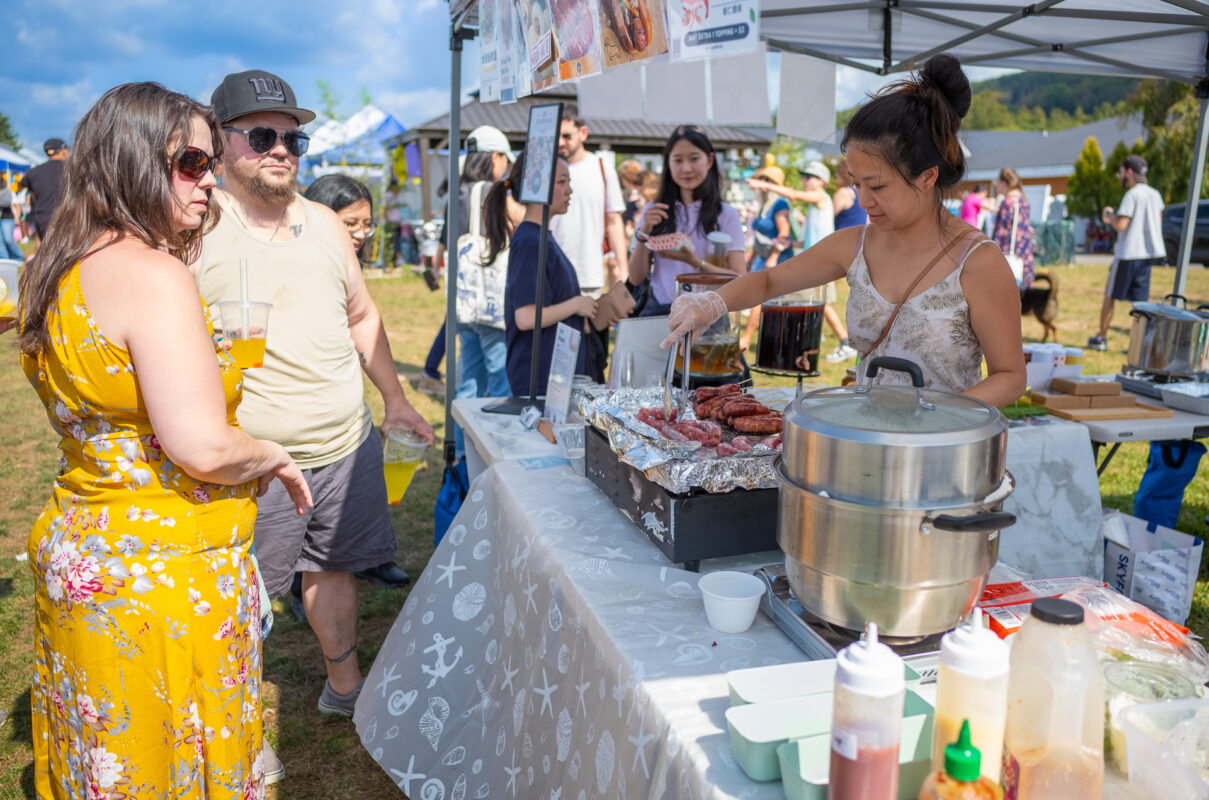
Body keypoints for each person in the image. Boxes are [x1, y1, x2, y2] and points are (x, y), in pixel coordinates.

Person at [16, 81, 312, 798]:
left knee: (106, 759)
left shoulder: (54, 265)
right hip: (160, 576)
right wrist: (271, 455)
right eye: (189, 162)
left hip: (83, 550)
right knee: (167, 763)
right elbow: (202, 445)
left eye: (209, 162)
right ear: (131, 160)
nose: (208, 178)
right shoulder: (155, 275)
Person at [193, 70, 434, 724]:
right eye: (262, 135)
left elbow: (361, 314)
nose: (281, 150)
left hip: (345, 446)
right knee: (241, 597)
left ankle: (345, 688)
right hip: (253, 461)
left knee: (334, 568)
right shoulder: (195, 225)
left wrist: (396, 398)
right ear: (218, 141)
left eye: (293, 140)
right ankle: (226, 723)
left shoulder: (327, 224)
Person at [664, 54, 1026, 408]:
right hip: (864, 445)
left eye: (877, 186)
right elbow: (770, 282)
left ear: (927, 176)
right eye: (856, 183)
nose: (863, 200)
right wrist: (712, 303)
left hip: (942, 454)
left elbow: (1010, 376)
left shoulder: (978, 261)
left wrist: (939, 421)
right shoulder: (855, 245)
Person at [302, 174, 411, 592]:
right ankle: (302, 582)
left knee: (361, 494)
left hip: (350, 406)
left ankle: (371, 557)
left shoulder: (349, 262)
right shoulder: (303, 264)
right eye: (351, 224)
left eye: (367, 224)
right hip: (308, 415)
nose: (362, 234)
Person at [482, 151, 596, 395]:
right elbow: (525, 317)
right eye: (562, 182)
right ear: (538, 187)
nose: (569, 190)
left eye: (569, 182)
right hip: (538, 380)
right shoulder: (530, 241)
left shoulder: (541, 237)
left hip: (552, 375)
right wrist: (576, 305)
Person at [421, 126, 515, 397]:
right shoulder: (491, 191)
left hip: (463, 302)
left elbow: (446, 237)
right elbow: (522, 217)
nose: (506, 168)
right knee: (499, 381)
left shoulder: (458, 192)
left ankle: (462, 440)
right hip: (489, 305)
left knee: (470, 381)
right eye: (506, 161)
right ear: (495, 157)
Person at [627, 126, 746, 318]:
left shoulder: (727, 215)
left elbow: (738, 277)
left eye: (694, 158)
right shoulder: (654, 211)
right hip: (661, 311)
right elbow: (635, 277)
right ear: (669, 163)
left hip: (708, 313)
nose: (686, 168)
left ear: (710, 160)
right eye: (678, 160)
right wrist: (643, 232)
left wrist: (695, 262)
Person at [746, 161, 857, 362]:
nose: (804, 180)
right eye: (803, 176)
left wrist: (766, 185)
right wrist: (789, 242)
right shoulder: (815, 205)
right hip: (817, 260)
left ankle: (809, 349)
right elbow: (809, 239)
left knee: (812, 302)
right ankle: (837, 344)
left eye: (809, 177)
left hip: (822, 262)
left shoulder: (820, 197)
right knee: (819, 303)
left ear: (821, 181)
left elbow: (794, 195)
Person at [549, 104, 628, 380]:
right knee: (557, 363)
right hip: (554, 280)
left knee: (592, 362)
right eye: (556, 137)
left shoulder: (602, 167)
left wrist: (624, 270)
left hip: (592, 279)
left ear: (583, 133)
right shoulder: (547, 168)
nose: (560, 143)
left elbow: (614, 221)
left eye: (567, 136)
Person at [1089, 154, 1166, 351]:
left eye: (1121, 172)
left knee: (1110, 296)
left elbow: (1121, 225)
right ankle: (1139, 345)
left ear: (1129, 172)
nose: (1120, 176)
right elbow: (1159, 221)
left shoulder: (1132, 194)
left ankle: (1102, 338)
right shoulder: (1154, 194)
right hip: (1147, 255)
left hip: (1128, 253)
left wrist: (1109, 217)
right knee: (1141, 304)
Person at [17, 137, 70, 253]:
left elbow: (26, 190)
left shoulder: (33, 172)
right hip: (67, 217)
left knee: (47, 252)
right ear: (63, 150)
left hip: (42, 218)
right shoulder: (73, 169)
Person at [991, 167, 1035, 289]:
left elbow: (1000, 233)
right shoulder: (1023, 201)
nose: (996, 184)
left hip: (1009, 255)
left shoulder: (1008, 202)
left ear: (1004, 183)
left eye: (998, 181)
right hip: (1024, 255)